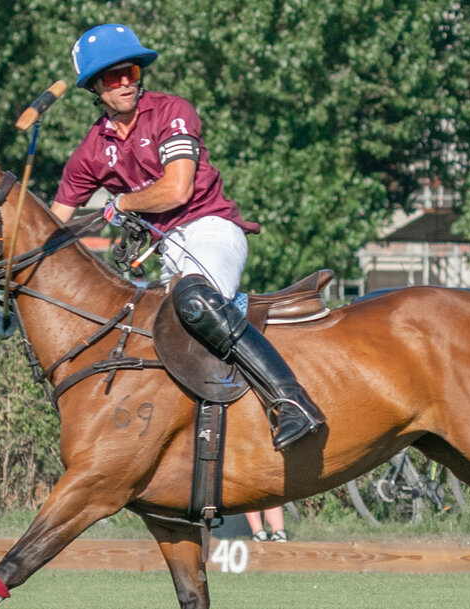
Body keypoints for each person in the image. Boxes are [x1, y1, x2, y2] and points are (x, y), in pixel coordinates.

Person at [50, 23, 324, 451]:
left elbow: (177, 188)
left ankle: (291, 403)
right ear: (94, 89)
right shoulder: (90, 150)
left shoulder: (171, 111)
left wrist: (120, 204)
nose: (125, 84)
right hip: (169, 251)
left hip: (210, 227)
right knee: (152, 333)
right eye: (112, 77)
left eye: (132, 73)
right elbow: (55, 224)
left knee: (195, 303)